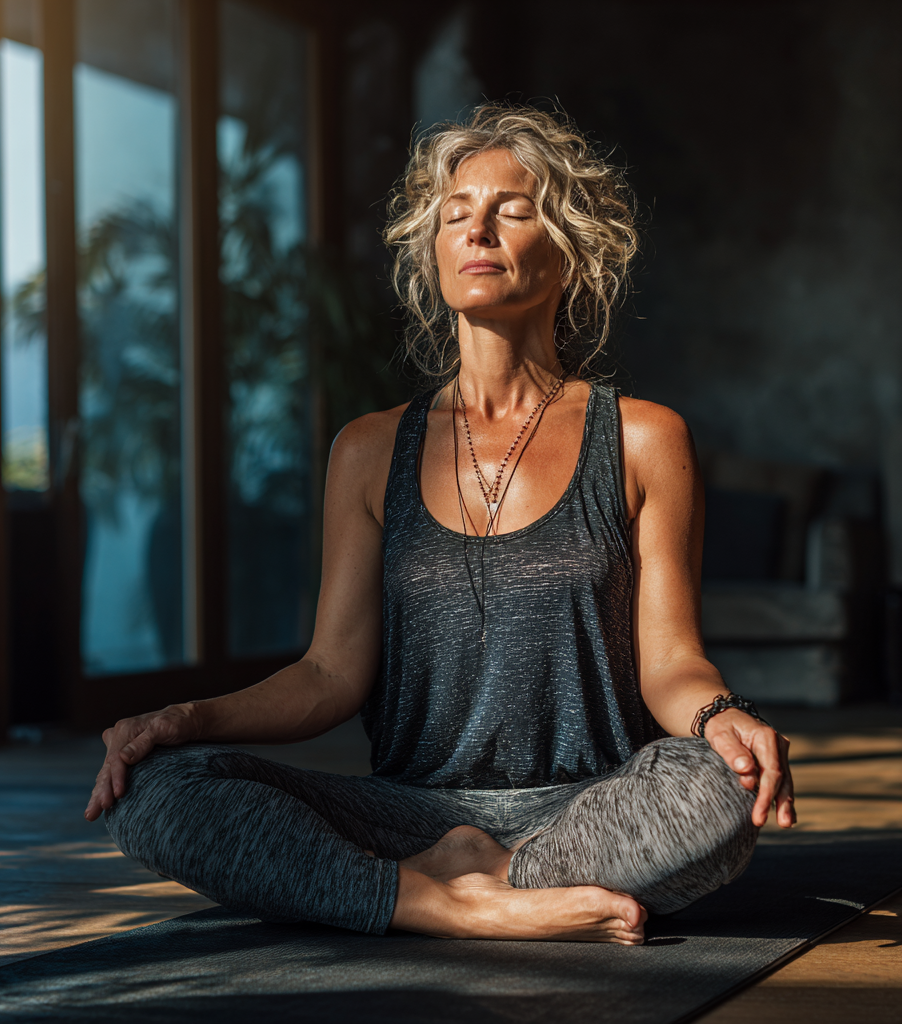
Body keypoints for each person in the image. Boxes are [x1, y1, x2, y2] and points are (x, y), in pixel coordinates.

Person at [85, 104, 794, 946]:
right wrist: (182, 719)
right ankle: (450, 903)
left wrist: (723, 720)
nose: (477, 229)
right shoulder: (369, 449)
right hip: (407, 813)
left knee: (717, 787)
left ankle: (452, 890)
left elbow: (671, 663)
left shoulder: (642, 437)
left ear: (569, 249)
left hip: (586, 808)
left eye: (512, 210)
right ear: (433, 249)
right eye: (455, 213)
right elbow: (327, 674)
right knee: (159, 787)